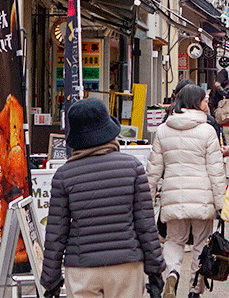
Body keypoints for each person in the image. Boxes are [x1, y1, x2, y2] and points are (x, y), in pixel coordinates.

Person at [42, 97, 165, 298]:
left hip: (82, 269)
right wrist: (155, 269)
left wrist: (51, 279)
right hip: (126, 265)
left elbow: (56, 232)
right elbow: (145, 225)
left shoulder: (64, 175)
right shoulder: (132, 168)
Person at [148, 85, 227, 298]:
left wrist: (147, 197)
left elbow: (154, 168)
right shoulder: (207, 131)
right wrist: (222, 205)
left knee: (174, 240)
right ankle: (195, 290)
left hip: (173, 195)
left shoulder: (164, 129)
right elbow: (216, 170)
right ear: (195, 102)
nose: (206, 103)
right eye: (204, 100)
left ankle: (172, 274)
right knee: (202, 243)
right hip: (202, 196)